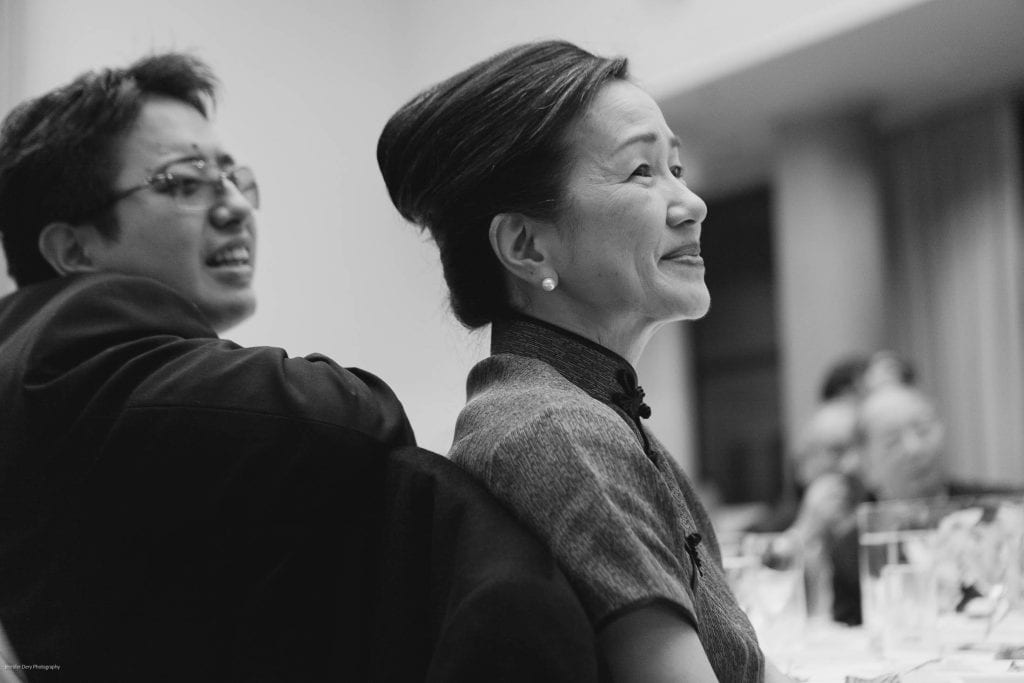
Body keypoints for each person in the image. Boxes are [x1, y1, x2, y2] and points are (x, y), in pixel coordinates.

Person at [378, 40, 792, 682]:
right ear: (526, 246)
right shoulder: (559, 433)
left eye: (676, 168)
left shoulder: (573, 411)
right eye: (641, 173)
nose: (693, 203)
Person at [0, 53, 415, 679]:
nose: (235, 208)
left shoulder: (34, 342)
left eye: (233, 178)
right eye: (183, 182)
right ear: (72, 249)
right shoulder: (77, 333)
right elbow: (349, 419)